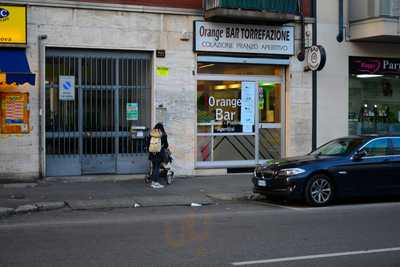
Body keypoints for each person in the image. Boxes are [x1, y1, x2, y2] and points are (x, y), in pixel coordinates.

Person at [147, 123, 169, 189]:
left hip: (152, 153)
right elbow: (166, 145)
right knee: (157, 168)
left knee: (154, 167)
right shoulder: (163, 135)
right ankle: (155, 182)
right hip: (159, 153)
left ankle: (153, 182)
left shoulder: (151, 134)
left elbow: (147, 143)